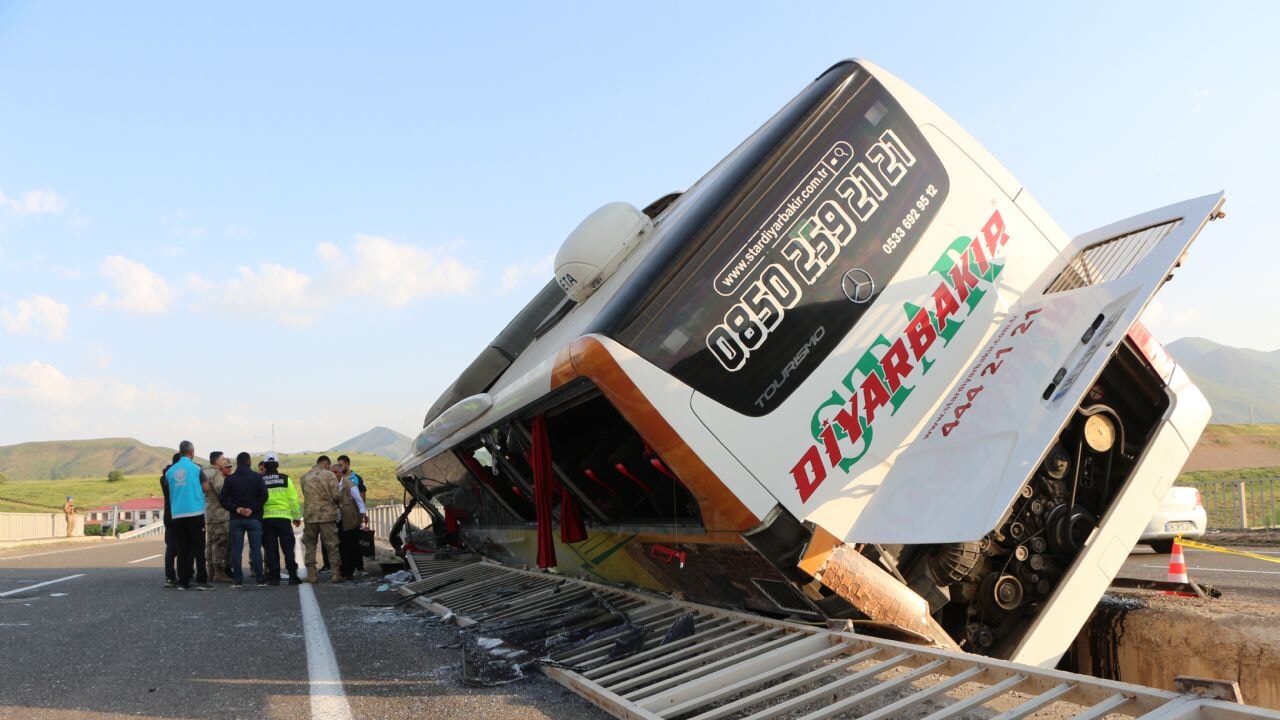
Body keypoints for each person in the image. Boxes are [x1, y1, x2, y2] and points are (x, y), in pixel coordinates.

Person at [165, 440, 210, 591]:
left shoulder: (170, 472)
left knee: (182, 548)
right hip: (195, 512)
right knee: (199, 547)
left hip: (177, 514)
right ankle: (201, 580)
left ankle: (183, 582)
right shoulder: (197, 468)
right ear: (192, 452)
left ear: (180, 452)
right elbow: (206, 487)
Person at [220, 451, 268, 588]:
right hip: (254, 518)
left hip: (236, 519)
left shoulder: (230, 479)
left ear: (237, 463)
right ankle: (260, 579)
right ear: (249, 462)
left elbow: (222, 499)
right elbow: (264, 496)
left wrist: (237, 509)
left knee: (236, 550)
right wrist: (251, 509)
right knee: (256, 549)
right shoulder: (257, 477)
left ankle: (237, 580)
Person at [299, 455, 343, 583]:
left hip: (310, 516)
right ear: (326, 464)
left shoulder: (304, 477)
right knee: (332, 545)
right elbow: (336, 495)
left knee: (310, 545)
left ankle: (311, 575)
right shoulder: (329, 475)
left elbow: (305, 494)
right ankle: (336, 574)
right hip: (327, 516)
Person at [260, 452, 302, 586]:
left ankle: (274, 577)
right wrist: (296, 517)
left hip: (266, 518)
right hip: (283, 518)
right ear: (277, 464)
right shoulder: (285, 479)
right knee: (288, 548)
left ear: (264, 465)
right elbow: (293, 500)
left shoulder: (260, 480)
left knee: (271, 549)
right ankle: (293, 576)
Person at [334, 457, 368, 579]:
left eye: (336, 472)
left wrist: (363, 514)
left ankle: (350, 570)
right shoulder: (331, 485)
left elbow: (359, 500)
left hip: (350, 519)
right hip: (337, 520)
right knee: (342, 546)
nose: (333, 474)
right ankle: (345, 570)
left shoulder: (351, 483)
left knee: (350, 545)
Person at [201, 452, 232, 583]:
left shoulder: (204, 472)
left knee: (210, 543)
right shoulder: (216, 475)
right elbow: (223, 492)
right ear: (216, 461)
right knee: (220, 543)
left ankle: (211, 573)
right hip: (220, 514)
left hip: (209, 513)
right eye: (223, 459)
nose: (224, 461)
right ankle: (219, 573)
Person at [160, 452, 181, 588]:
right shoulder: (176, 476)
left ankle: (170, 576)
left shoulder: (164, 477)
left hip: (168, 515)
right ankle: (183, 575)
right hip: (179, 514)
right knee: (182, 547)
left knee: (171, 548)